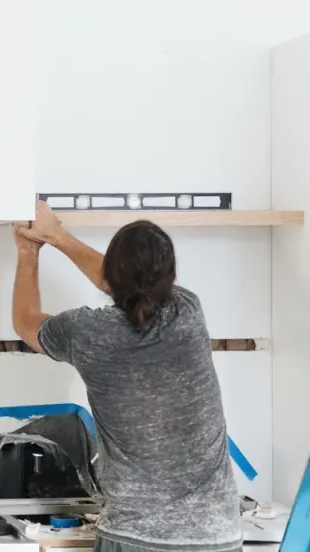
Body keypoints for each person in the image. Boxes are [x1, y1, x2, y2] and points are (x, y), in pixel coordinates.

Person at [13, 202, 241, 552]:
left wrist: (30, 250)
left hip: (135, 539)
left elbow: (26, 321)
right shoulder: (188, 313)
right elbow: (124, 283)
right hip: (216, 539)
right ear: (172, 274)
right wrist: (58, 236)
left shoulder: (88, 333)